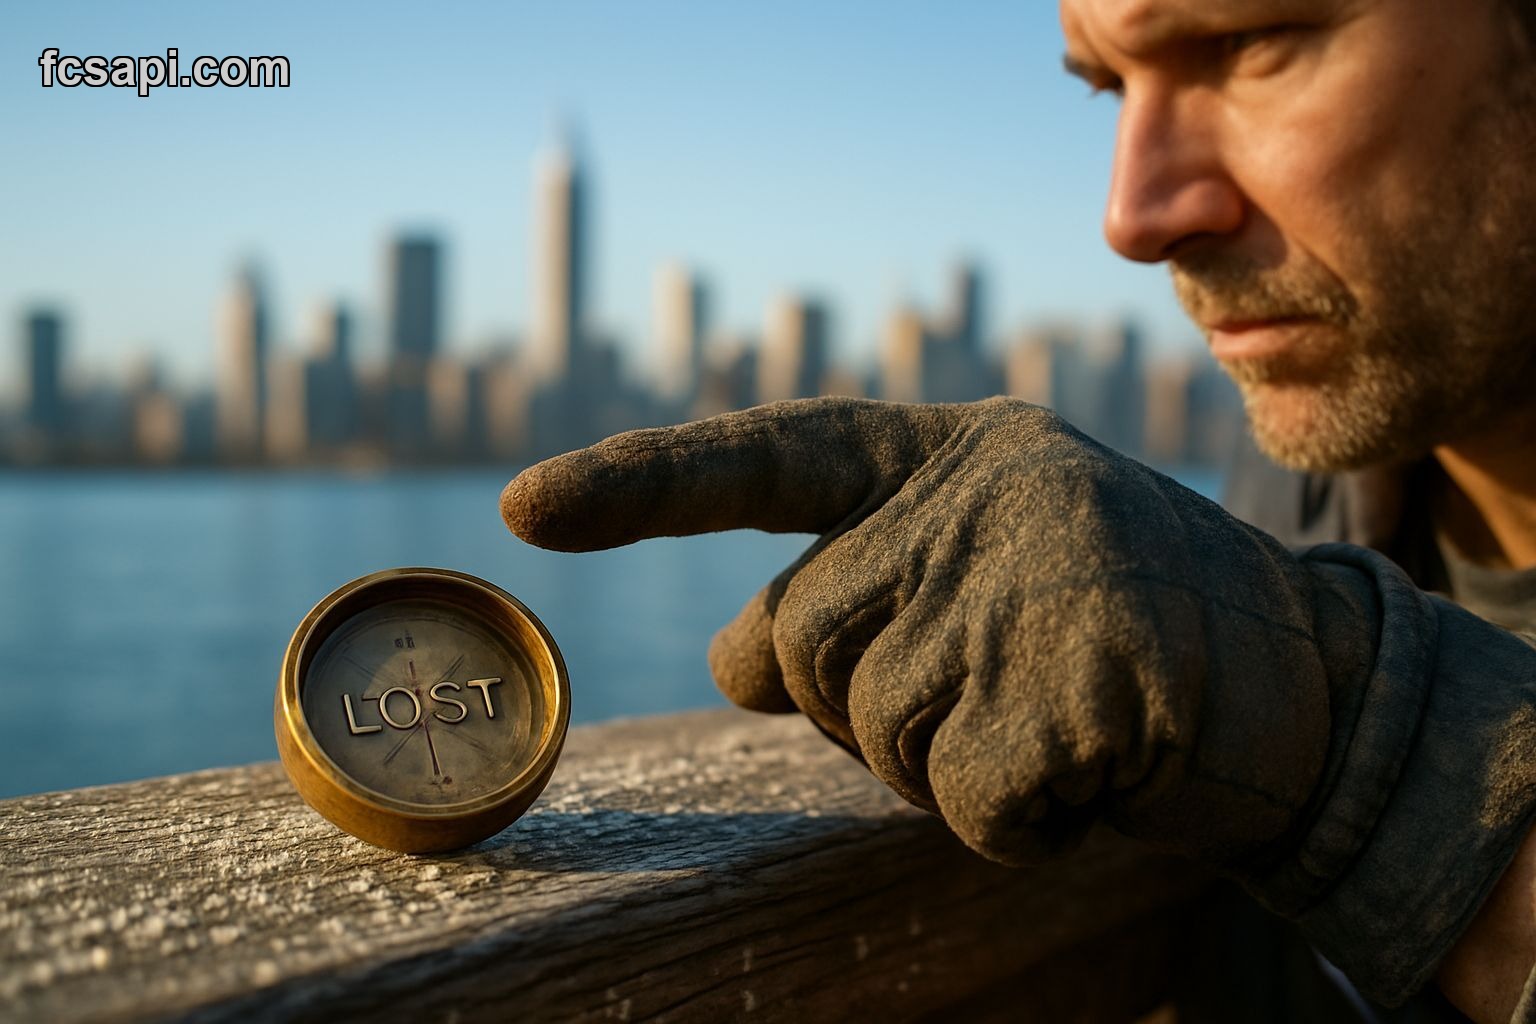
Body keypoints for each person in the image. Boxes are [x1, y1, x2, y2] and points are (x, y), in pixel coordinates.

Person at [501, 1, 1536, 1020]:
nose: (1133, 216)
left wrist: (1358, 748)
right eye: (1108, 84)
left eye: (1249, 43)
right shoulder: (1298, 485)